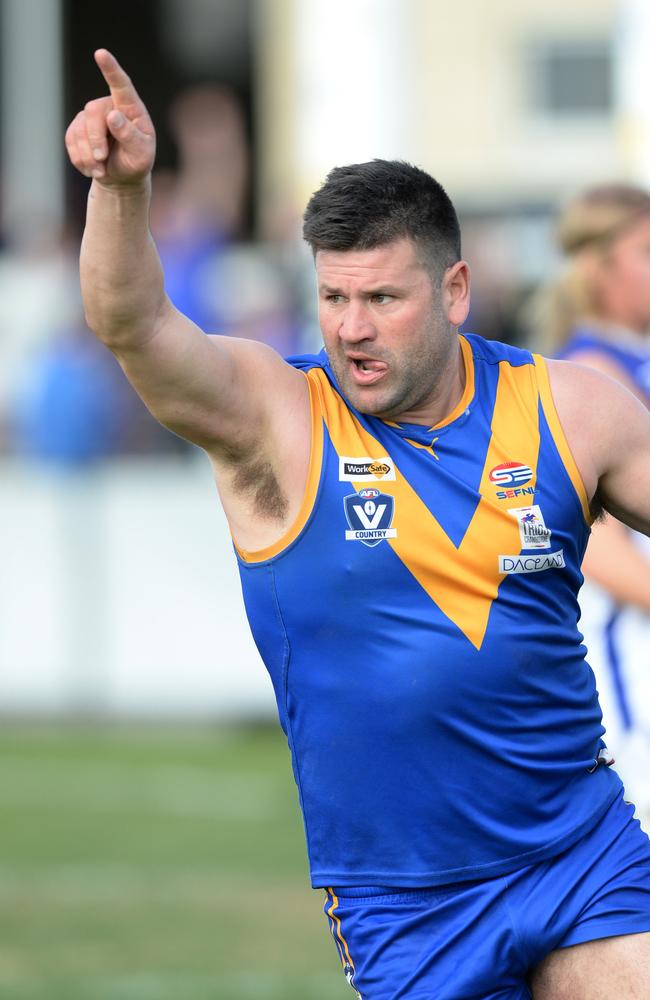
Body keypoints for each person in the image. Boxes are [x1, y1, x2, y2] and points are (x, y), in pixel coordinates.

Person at [65, 51, 650, 1000]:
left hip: (579, 850)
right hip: (404, 898)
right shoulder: (274, 417)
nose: (351, 328)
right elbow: (132, 323)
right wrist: (120, 191)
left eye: (383, 298)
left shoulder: (572, 410)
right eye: (333, 298)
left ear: (455, 292)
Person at [536, 184, 650, 818]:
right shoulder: (592, 372)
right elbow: (604, 549)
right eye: (646, 251)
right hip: (632, 655)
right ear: (597, 267)